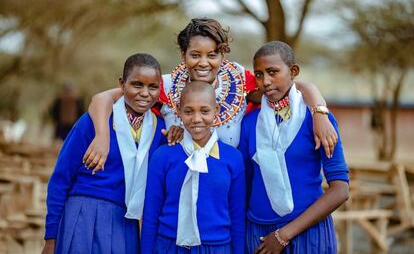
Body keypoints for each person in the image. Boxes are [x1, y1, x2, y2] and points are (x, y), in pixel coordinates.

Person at [83, 18, 338, 173]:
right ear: (183, 56)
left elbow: (291, 86)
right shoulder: (165, 85)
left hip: (227, 186)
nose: (203, 63)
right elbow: (103, 98)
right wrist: (102, 138)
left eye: (212, 55)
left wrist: (319, 110)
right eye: (195, 55)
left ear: (223, 56)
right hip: (176, 182)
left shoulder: (239, 79)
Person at [42, 53, 166, 254]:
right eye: (136, 85)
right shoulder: (93, 122)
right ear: (121, 84)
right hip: (83, 214)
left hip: (125, 222)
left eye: (152, 87)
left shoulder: (159, 130)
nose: (145, 93)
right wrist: (51, 236)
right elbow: (60, 178)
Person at [239, 41, 349, 253]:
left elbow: (340, 190)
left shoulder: (317, 119)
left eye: (273, 72)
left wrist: (284, 235)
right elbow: (246, 183)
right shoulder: (250, 123)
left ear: (293, 71)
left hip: (308, 235)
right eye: (259, 75)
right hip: (258, 236)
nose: (266, 81)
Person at [141, 81, 245, 253]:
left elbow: (237, 215)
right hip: (169, 244)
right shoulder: (163, 156)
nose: (197, 119)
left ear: (216, 110)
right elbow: (151, 214)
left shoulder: (232, 158)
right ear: (179, 112)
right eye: (189, 111)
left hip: (218, 246)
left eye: (205, 111)